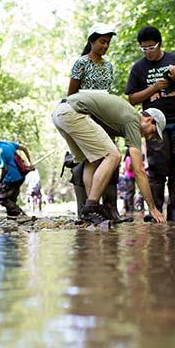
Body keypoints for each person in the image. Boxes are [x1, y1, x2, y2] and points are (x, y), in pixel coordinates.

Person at [51, 91, 167, 224]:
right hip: (72, 113)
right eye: (152, 131)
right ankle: (90, 207)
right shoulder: (134, 120)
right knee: (113, 155)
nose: (150, 137)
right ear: (148, 119)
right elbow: (139, 171)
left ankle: (90, 211)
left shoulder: (125, 114)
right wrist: (152, 208)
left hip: (60, 113)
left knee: (93, 159)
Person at [126, 26, 175, 222]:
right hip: (154, 125)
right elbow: (132, 99)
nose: (148, 52)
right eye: (144, 49)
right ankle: (156, 211)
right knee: (157, 167)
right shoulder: (138, 69)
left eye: (151, 47)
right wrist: (154, 88)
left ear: (160, 44)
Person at [67, 22, 123, 221]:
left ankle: (105, 207)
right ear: (92, 41)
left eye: (108, 43)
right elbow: (71, 94)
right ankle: (92, 205)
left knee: (108, 157)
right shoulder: (81, 63)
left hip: (104, 116)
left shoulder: (108, 66)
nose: (105, 46)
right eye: (101, 42)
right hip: (83, 115)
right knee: (92, 159)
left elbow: (107, 93)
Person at [0, 139, 33, 217]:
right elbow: (24, 148)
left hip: (11, 178)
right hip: (20, 176)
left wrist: (0, 181)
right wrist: (30, 162)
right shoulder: (9, 144)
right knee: (11, 199)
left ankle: (21, 214)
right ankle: (13, 218)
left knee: (1, 198)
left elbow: (5, 169)